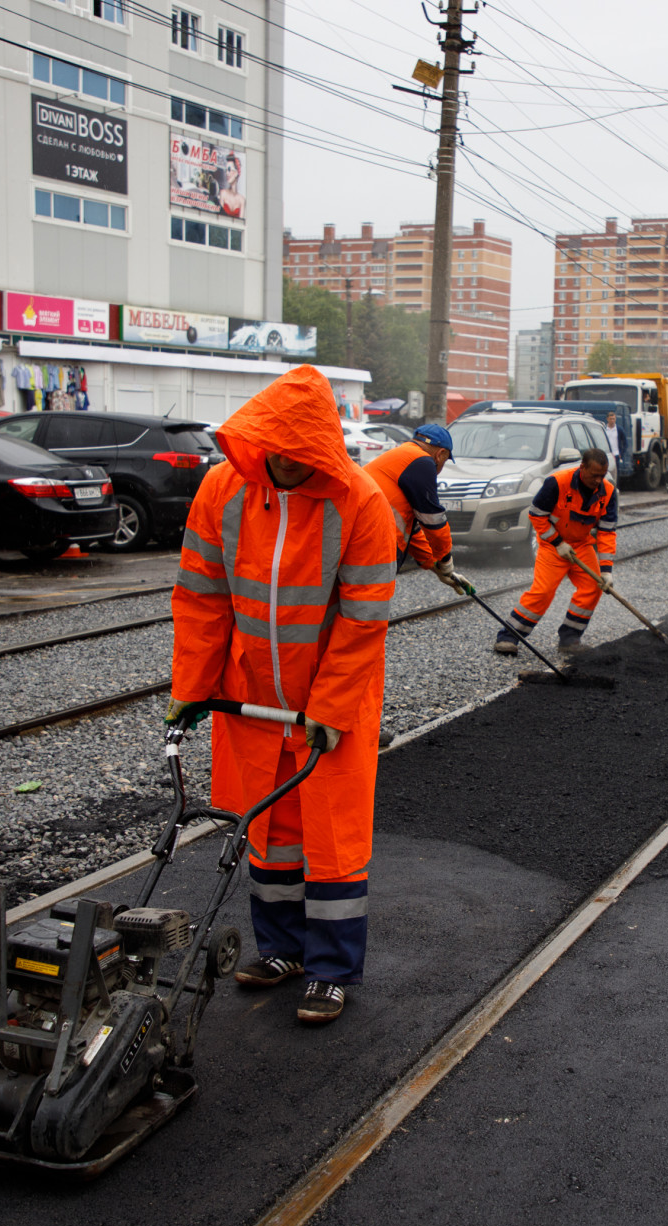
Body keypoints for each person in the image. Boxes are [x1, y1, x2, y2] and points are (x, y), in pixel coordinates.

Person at [166, 366, 399, 1025]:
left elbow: (362, 622)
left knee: (332, 836)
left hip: (332, 702)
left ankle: (331, 970)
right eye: (273, 449)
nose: (282, 462)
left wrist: (327, 709)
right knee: (269, 831)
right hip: (252, 698)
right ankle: (282, 951)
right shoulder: (223, 490)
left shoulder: (361, 504)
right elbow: (202, 599)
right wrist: (192, 688)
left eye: (297, 454)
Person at [495, 447, 618, 656]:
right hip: (554, 546)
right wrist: (558, 542)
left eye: (602, 475)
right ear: (582, 468)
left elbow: (607, 532)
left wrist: (606, 571)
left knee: (593, 587)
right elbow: (536, 515)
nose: (598, 480)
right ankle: (509, 636)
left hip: (582, 546)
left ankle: (570, 639)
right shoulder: (557, 483)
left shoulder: (608, 492)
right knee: (543, 591)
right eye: (594, 475)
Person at [364, 422, 475, 595]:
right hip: (372, 543)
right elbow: (433, 520)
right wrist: (445, 559)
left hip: (365, 536)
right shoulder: (422, 461)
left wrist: (436, 566)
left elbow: (412, 530)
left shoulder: (402, 458)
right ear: (441, 454)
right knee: (367, 609)